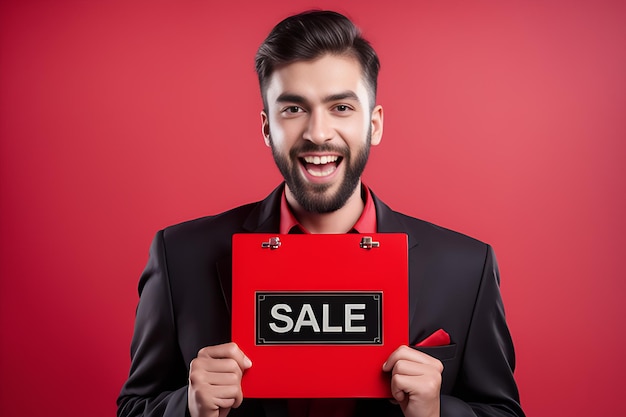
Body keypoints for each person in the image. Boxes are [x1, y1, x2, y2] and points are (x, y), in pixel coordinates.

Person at [117, 10, 524, 417]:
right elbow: (134, 407)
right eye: (293, 109)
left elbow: (502, 411)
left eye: (342, 107)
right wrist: (186, 407)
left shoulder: (466, 268)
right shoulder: (180, 256)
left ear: (375, 124)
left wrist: (437, 412)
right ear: (266, 128)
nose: (318, 133)